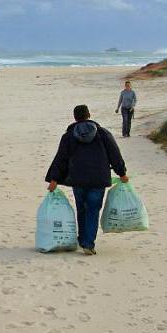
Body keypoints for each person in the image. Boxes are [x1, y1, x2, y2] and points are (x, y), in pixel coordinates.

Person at [45, 105, 128, 255]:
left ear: (75, 118)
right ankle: (88, 243)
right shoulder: (102, 134)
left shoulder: (69, 136)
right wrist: (121, 173)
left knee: (81, 208)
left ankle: (83, 239)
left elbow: (61, 159)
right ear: (89, 115)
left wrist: (54, 179)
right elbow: (115, 155)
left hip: (78, 178)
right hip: (98, 178)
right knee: (93, 209)